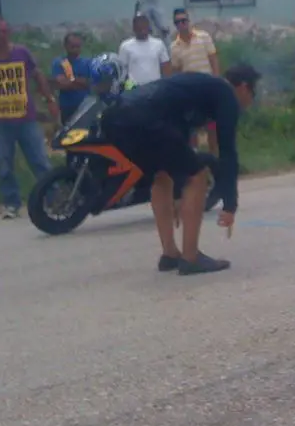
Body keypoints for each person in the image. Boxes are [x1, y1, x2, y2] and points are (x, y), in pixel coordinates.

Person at [99, 65, 261, 276]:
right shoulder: (225, 94)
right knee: (198, 175)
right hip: (143, 117)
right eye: (253, 93)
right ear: (244, 87)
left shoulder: (197, 89)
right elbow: (228, 153)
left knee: (162, 175)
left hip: (115, 118)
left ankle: (170, 254)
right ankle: (191, 257)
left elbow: (177, 144)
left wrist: (178, 195)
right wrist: (230, 204)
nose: (251, 100)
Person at [0, 16, 59, 219]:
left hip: (26, 118)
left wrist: (50, 99)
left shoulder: (21, 53)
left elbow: (38, 76)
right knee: (4, 163)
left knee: (40, 161)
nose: (2, 35)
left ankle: (53, 198)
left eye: (5, 31)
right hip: (1, 120)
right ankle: (11, 202)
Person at [170, 7, 221, 154]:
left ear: (189, 21)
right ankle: (196, 161)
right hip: (190, 93)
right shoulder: (174, 47)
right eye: (177, 22)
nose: (181, 24)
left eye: (184, 20)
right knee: (192, 129)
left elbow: (213, 60)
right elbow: (177, 71)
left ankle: (214, 158)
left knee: (211, 126)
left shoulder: (203, 37)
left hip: (208, 90)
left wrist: (217, 82)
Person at [51, 32, 92, 125]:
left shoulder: (88, 62)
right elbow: (61, 84)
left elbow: (89, 82)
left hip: (85, 106)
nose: (75, 49)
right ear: (66, 46)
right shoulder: (60, 62)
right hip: (67, 107)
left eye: (78, 46)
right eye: (73, 46)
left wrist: (70, 80)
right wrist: (80, 81)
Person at [118, 14, 170, 87]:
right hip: (135, 89)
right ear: (134, 29)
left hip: (155, 88)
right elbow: (122, 71)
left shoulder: (159, 44)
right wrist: (129, 87)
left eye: (144, 28)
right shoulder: (125, 46)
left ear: (148, 27)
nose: (142, 31)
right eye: (139, 28)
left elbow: (166, 67)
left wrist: (165, 86)